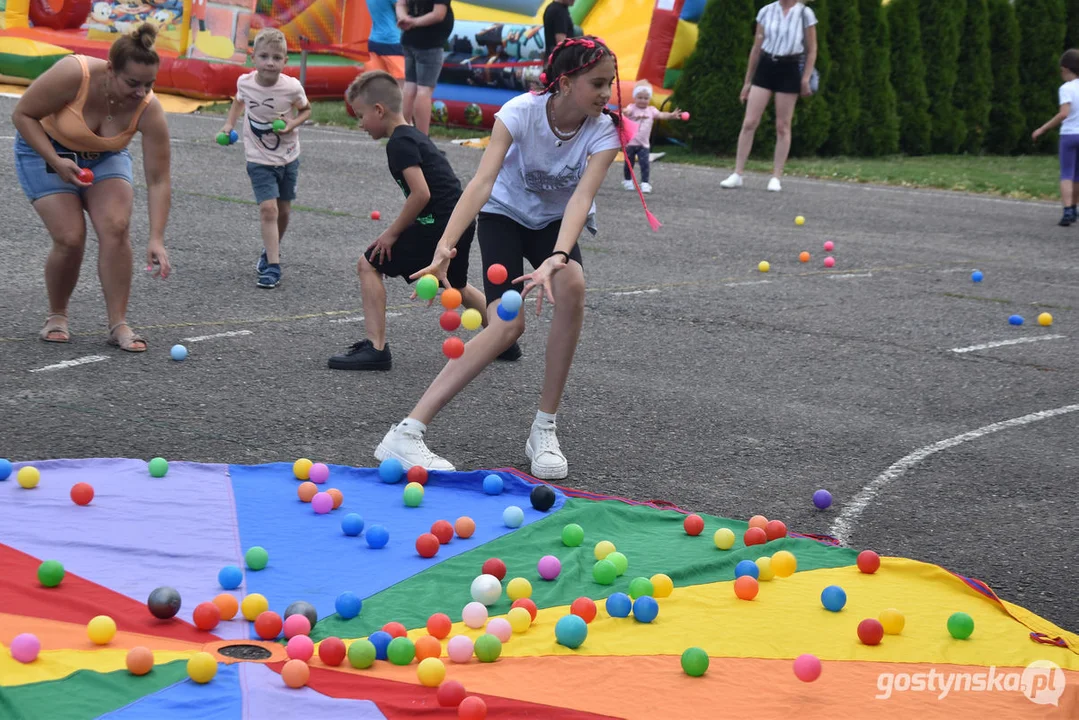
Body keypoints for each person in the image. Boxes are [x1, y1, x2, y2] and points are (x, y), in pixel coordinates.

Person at [373, 36, 658, 479]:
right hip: (503, 215)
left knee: (574, 287)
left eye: (610, 83)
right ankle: (406, 433)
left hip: (553, 224)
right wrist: (444, 247)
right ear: (565, 82)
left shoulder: (604, 129)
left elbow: (582, 197)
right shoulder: (520, 112)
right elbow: (483, 182)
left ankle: (544, 429)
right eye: (598, 83)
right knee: (507, 324)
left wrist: (557, 258)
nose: (607, 93)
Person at [329, 70, 520, 370]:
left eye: (361, 115)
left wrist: (391, 234)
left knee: (368, 263)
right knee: (456, 283)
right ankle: (503, 338)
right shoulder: (415, 135)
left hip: (440, 224)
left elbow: (420, 194)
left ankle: (376, 348)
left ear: (379, 110)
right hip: (460, 220)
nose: (361, 123)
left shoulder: (399, 144)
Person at [11, 22, 172, 352]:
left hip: (104, 157)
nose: (142, 92)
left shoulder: (148, 107)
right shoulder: (75, 73)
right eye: (133, 83)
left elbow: (159, 179)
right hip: (46, 149)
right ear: (111, 70)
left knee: (116, 226)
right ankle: (57, 315)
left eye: (149, 84)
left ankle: (119, 324)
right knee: (70, 237)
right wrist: (56, 162)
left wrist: (157, 237)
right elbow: (23, 114)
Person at [220, 28, 311, 289]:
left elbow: (306, 110)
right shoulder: (245, 83)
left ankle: (269, 250)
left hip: (288, 156)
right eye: (264, 56)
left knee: (283, 211)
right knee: (268, 209)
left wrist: (292, 123)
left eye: (276, 57)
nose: (269, 62)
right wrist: (228, 125)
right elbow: (239, 102)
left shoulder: (292, 86)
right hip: (257, 156)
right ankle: (273, 266)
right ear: (253, 58)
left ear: (285, 61)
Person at [720, 0, 817, 193]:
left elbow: (812, 49)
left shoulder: (805, 13)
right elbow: (756, 48)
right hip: (766, 66)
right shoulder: (766, 11)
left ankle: (776, 176)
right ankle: (737, 173)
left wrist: (805, 77)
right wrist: (748, 81)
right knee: (749, 122)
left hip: (789, 67)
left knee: (782, 125)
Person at [1033, 49, 1079, 226]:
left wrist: (1042, 129)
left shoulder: (1066, 88)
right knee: (1077, 175)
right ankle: (1074, 208)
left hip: (1068, 135)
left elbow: (1063, 114)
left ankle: (1067, 210)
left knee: (1067, 173)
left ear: (1066, 69)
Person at [397, 0, 454, 134]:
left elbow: (400, 4)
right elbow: (438, 14)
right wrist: (414, 22)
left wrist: (404, 18)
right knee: (424, 90)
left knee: (410, 86)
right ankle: (422, 139)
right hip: (430, 42)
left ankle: (402, 132)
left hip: (410, 39)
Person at [621, 80, 683, 194]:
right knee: (629, 163)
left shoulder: (651, 110)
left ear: (649, 99)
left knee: (645, 164)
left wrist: (671, 115)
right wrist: (624, 111)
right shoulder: (632, 108)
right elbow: (627, 111)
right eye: (640, 97)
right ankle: (627, 180)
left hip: (644, 144)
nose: (643, 100)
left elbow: (661, 115)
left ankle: (645, 183)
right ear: (635, 97)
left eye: (646, 98)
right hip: (630, 143)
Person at [365, 0, 406, 81]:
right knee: (402, 83)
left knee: (377, 81)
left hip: (374, 40)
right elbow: (403, 15)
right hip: (392, 41)